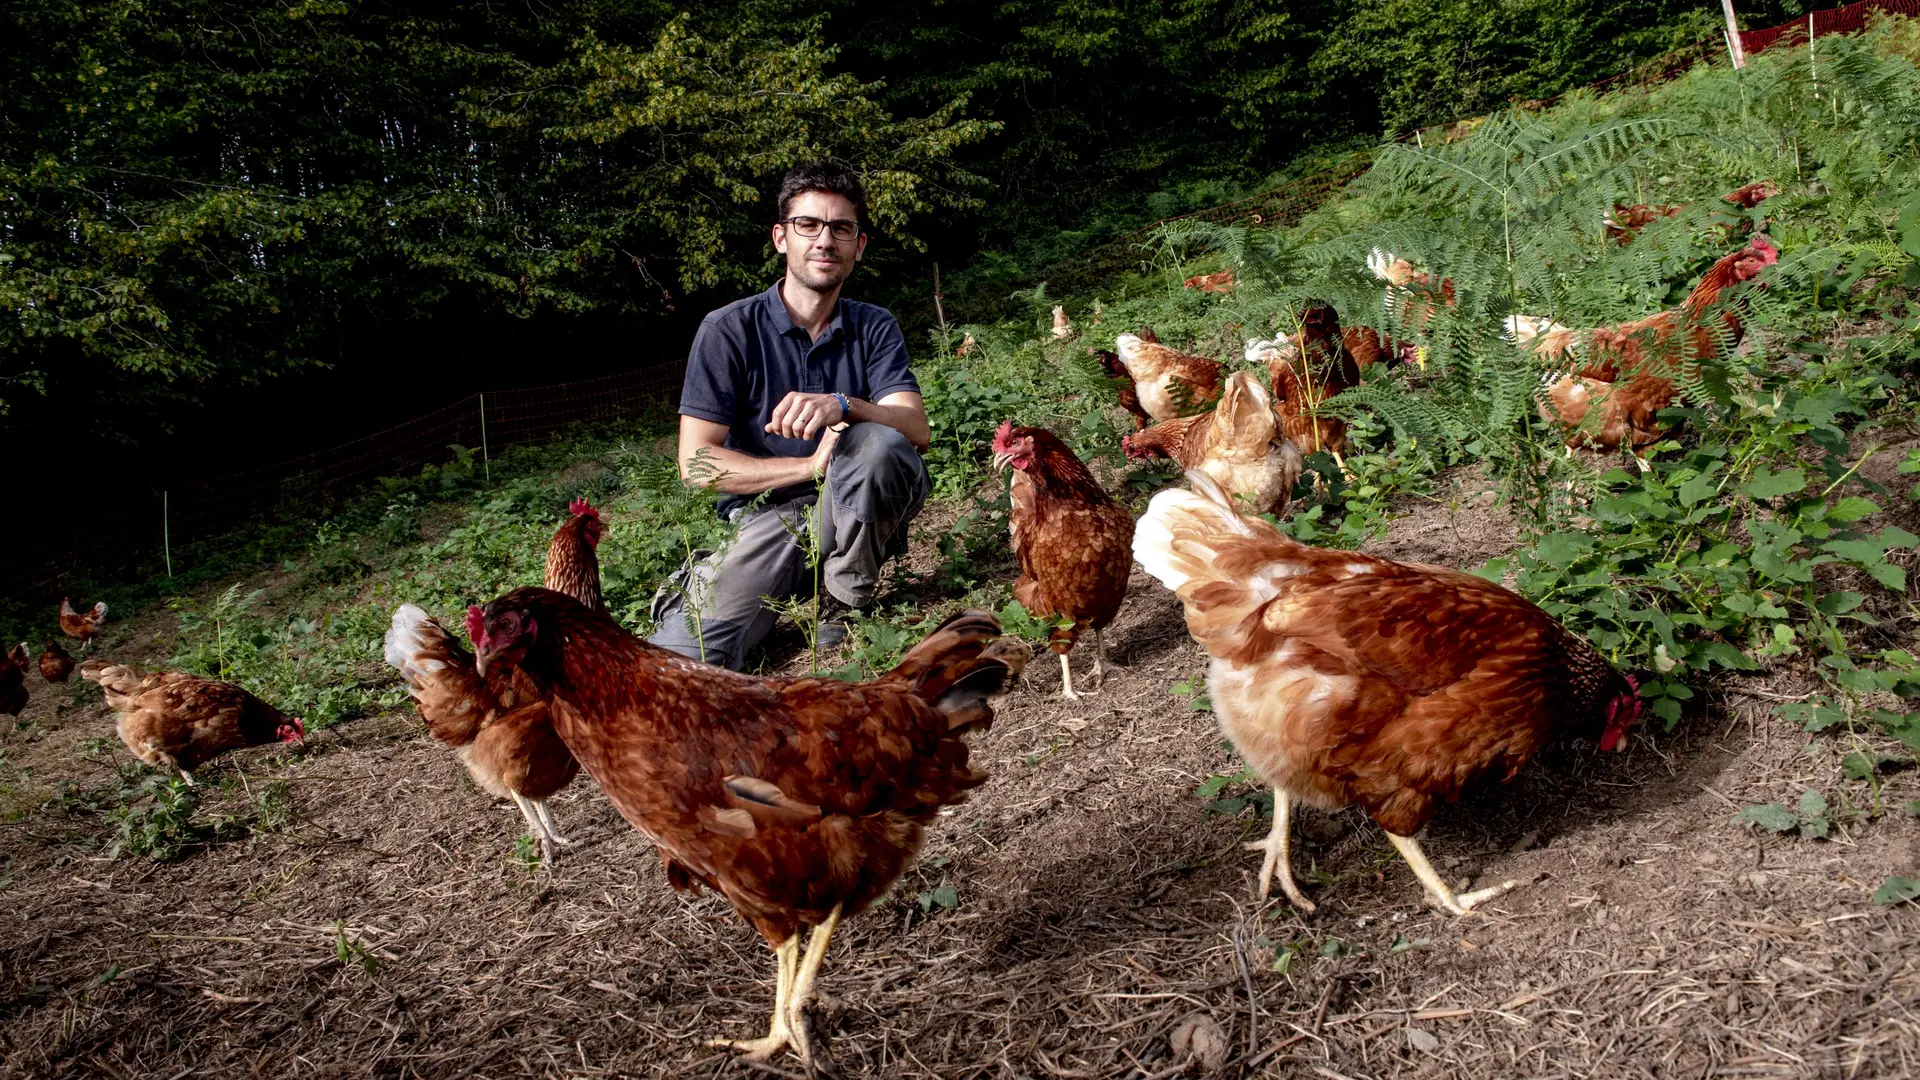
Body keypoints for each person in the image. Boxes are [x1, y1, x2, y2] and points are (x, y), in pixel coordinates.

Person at [647, 161, 932, 671]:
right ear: (781, 237)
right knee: (686, 659)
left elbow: (916, 430)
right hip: (764, 517)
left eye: (841, 228)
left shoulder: (874, 326)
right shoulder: (728, 329)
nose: (825, 240)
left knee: (882, 447)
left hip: (849, 507)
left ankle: (845, 596)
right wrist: (806, 468)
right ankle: (740, 597)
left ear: (858, 246)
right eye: (809, 225)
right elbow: (696, 466)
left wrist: (845, 405)